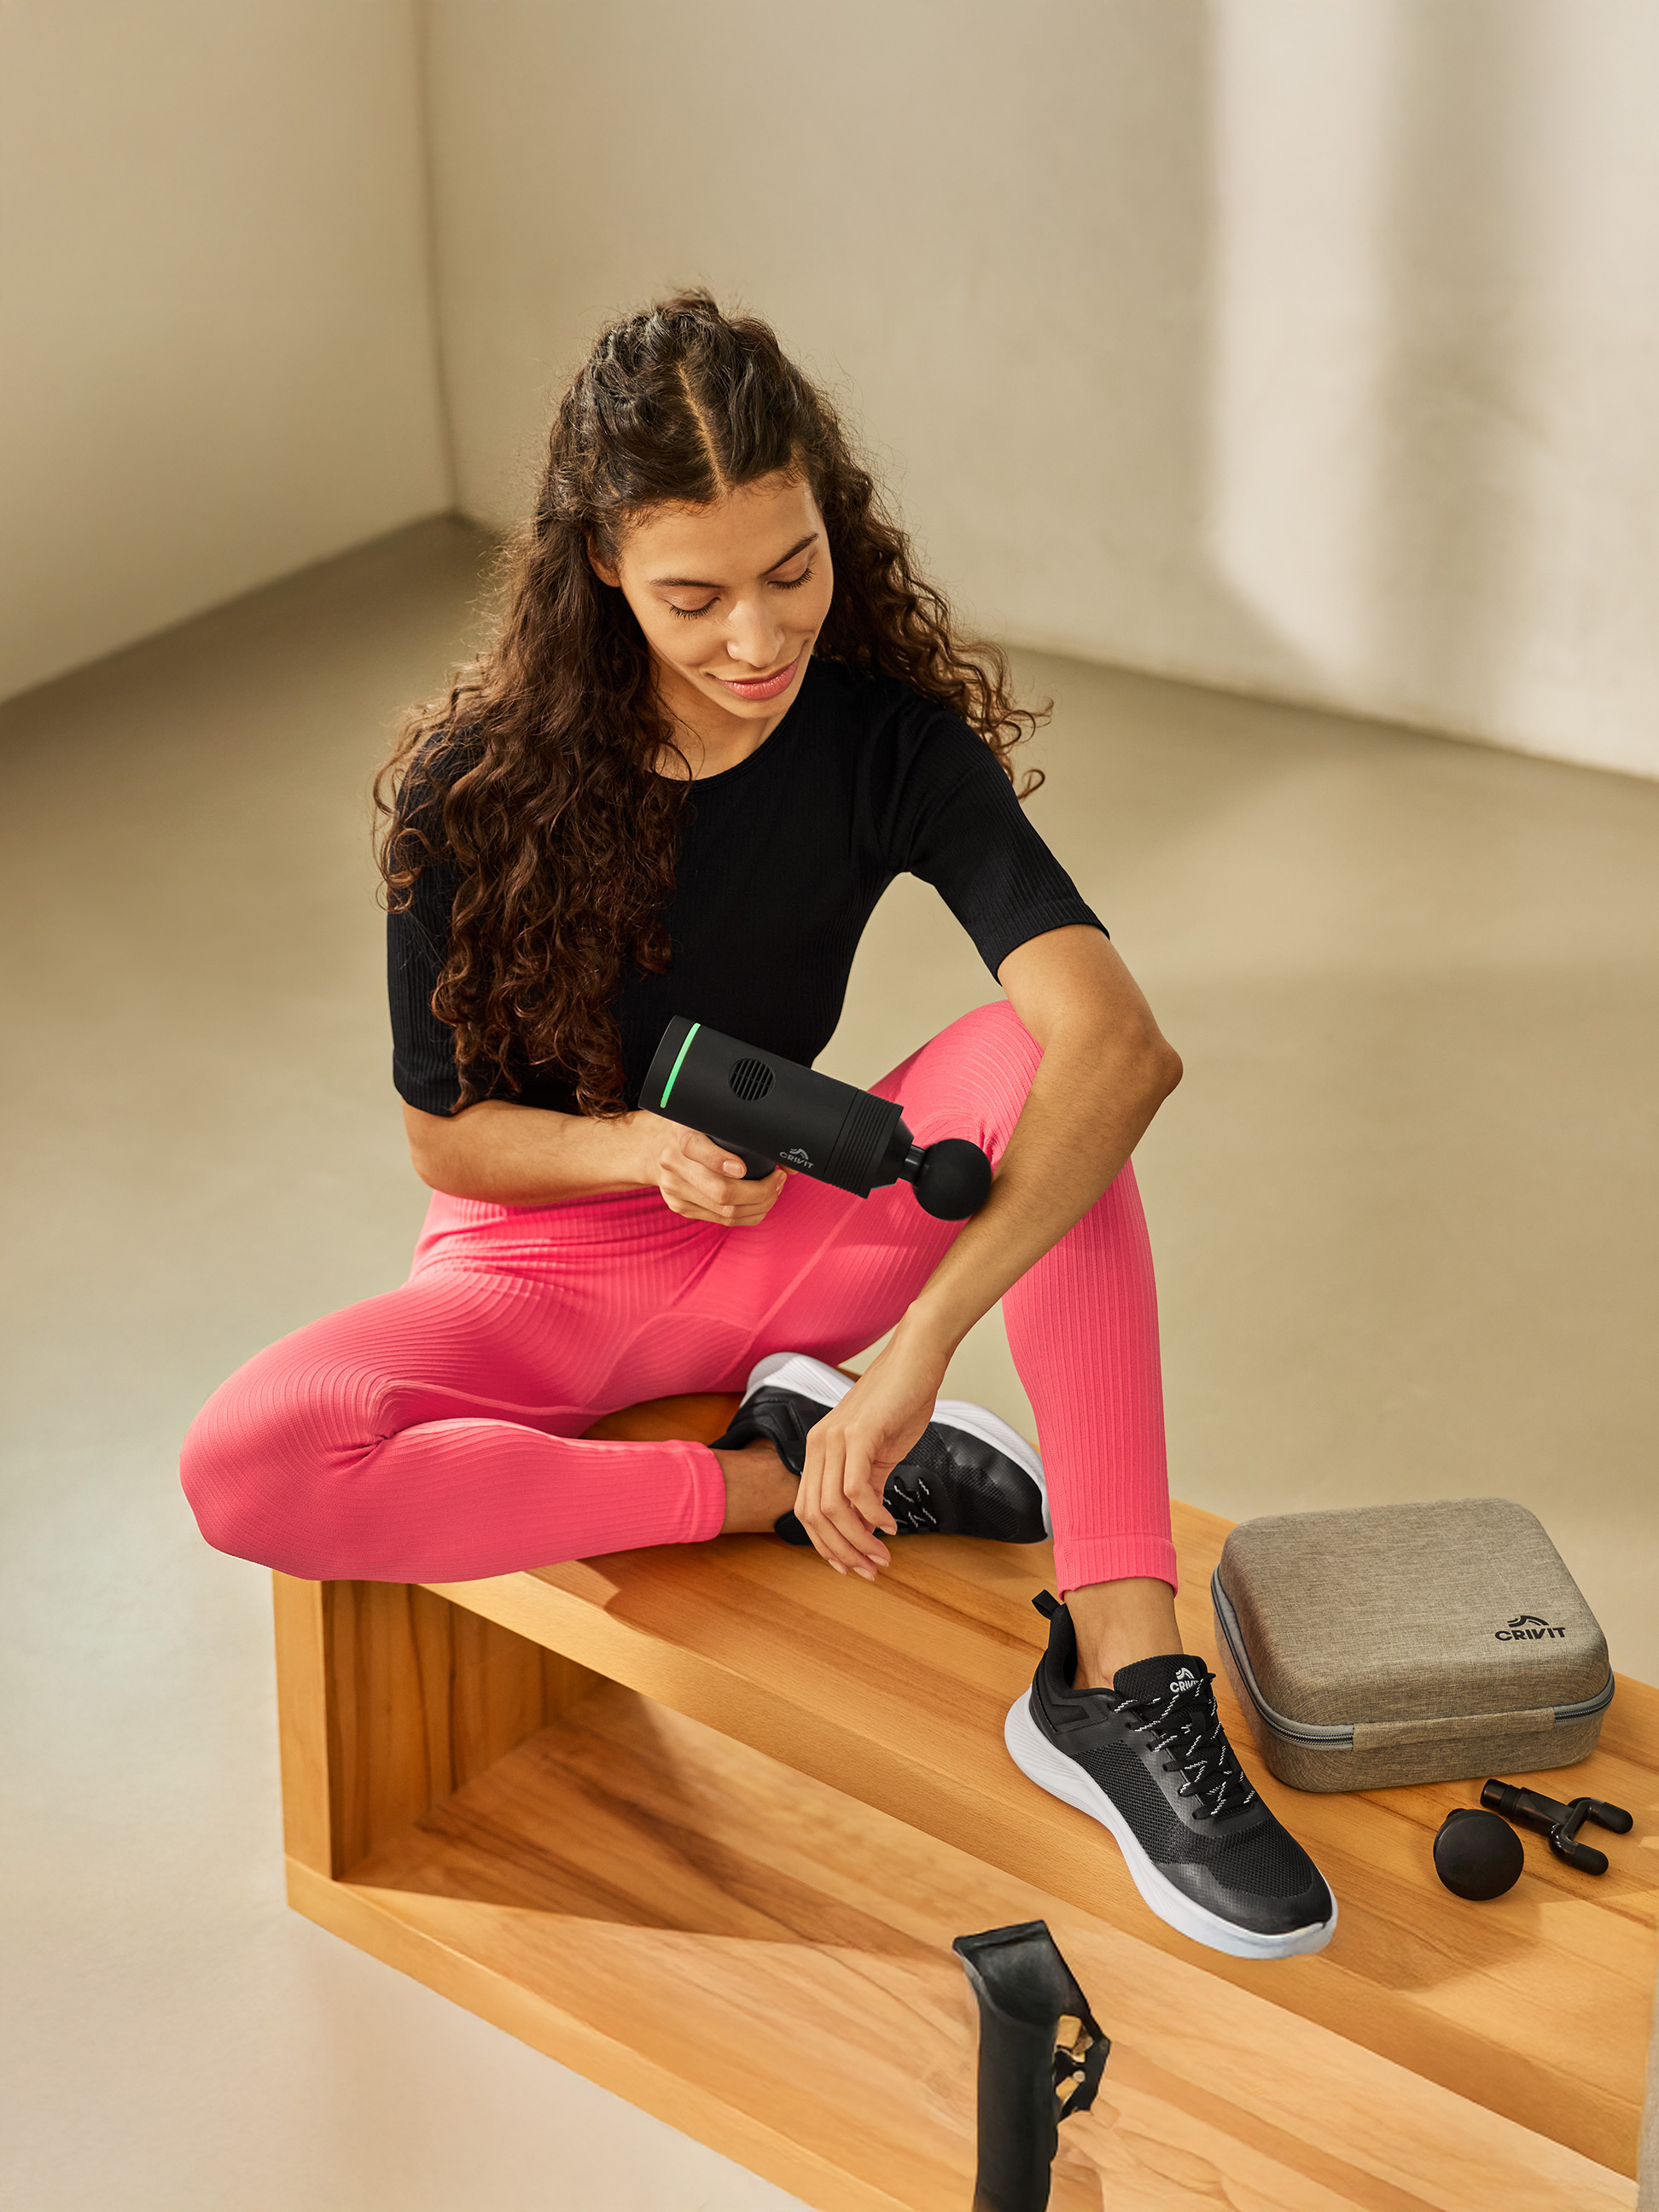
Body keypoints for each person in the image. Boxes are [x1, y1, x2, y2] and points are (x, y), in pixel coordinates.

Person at [180, 292, 1334, 1961]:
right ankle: (772, 1480)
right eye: (693, 594)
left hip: (785, 1242)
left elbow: (1121, 1051)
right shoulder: (470, 786)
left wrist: (925, 1347)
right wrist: (622, 1155)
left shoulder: (889, 744)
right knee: (253, 1458)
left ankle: (1118, 1661)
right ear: (598, 570)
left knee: (1051, 1065)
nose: (755, 635)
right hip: (537, 1273)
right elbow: (449, 1143)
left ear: (829, 515)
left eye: (793, 568)